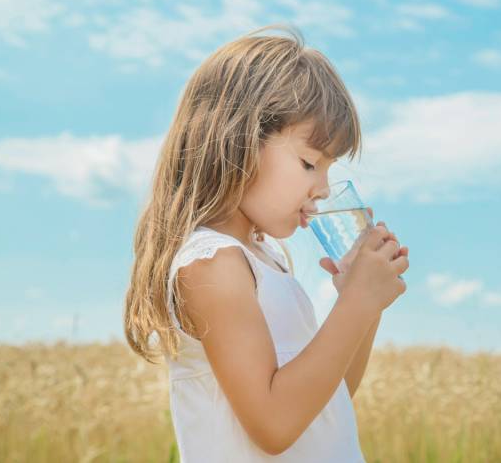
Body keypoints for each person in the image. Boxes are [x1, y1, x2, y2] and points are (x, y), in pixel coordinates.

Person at [123, 23, 410, 462]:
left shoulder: (267, 260)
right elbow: (274, 425)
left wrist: (365, 305)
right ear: (237, 138)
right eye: (310, 163)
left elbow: (328, 401)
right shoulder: (211, 264)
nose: (323, 188)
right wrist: (356, 304)